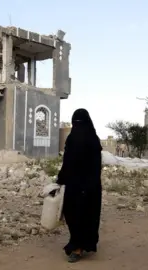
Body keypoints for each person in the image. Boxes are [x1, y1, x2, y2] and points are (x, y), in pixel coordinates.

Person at [56, 108, 103, 263]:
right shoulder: (92, 139)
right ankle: (80, 244)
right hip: (85, 186)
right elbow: (68, 161)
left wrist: (61, 178)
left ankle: (77, 247)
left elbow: (70, 162)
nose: (77, 126)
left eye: (78, 123)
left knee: (82, 216)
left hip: (84, 186)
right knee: (79, 216)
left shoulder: (76, 138)